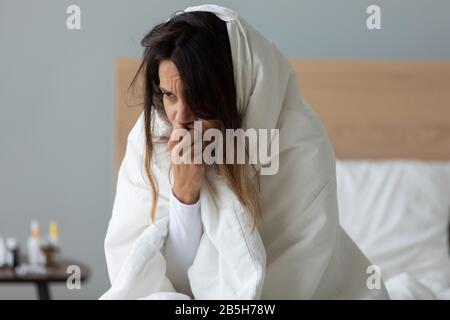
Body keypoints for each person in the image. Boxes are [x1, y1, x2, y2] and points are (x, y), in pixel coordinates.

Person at [101, 4, 390, 300]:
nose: (180, 116)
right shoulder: (151, 141)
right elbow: (161, 282)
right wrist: (184, 197)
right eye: (170, 95)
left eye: (198, 96)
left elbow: (300, 272)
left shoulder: (298, 144)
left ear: (235, 89)